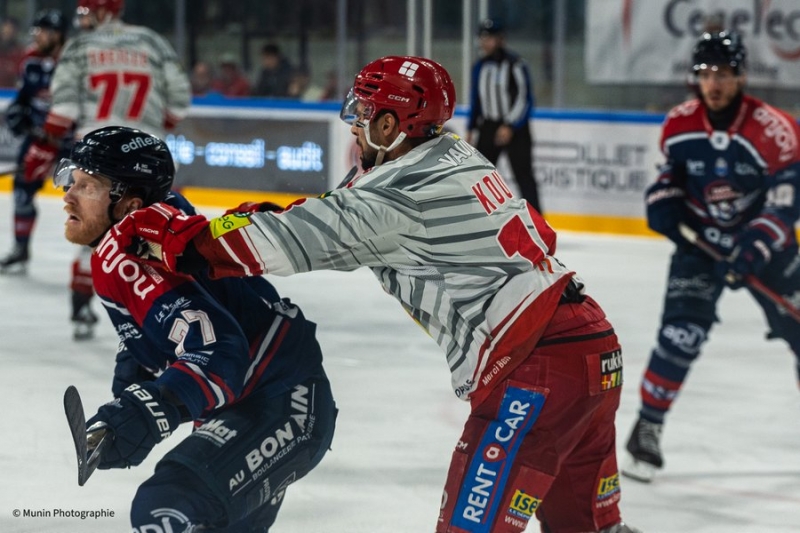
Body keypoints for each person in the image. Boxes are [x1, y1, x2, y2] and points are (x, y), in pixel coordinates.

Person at [116, 55, 641, 533]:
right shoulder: (453, 153)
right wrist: (242, 222)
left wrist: (183, 245)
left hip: (535, 371)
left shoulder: (398, 196)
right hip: (594, 354)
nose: (354, 120)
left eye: (364, 110)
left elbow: (295, 238)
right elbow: (325, 214)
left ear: (390, 125)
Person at [55, 125, 337, 531]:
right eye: (71, 180)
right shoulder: (160, 217)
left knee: (165, 505)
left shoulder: (120, 253)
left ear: (127, 204)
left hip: (281, 404)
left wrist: (147, 410)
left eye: (87, 186)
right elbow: (163, 324)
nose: (68, 195)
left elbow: (221, 353)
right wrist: (130, 396)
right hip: (273, 401)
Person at [621, 31, 800, 483]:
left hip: (767, 249)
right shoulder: (680, 124)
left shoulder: (773, 129)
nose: (714, 83)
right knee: (680, 333)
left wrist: (753, 248)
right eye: (705, 74)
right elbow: (670, 177)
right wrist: (662, 201)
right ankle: (648, 428)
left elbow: (786, 201)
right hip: (701, 246)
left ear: (740, 76)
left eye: (723, 73)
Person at [22, 0, 191, 340]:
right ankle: (161, 306)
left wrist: (44, 145)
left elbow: (64, 110)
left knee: (93, 229)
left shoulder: (80, 47)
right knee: (153, 229)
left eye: (86, 12)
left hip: (97, 154)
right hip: (148, 153)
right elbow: (179, 103)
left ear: (104, 12)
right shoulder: (152, 42)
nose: (82, 20)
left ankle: (83, 303)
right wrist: (150, 126)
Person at [0, 10, 68, 273]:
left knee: (87, 197)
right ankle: (20, 248)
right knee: (22, 192)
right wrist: (18, 113)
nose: (36, 36)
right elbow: (24, 97)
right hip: (40, 140)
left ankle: (96, 259)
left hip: (71, 142)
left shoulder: (74, 63)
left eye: (41, 31)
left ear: (56, 35)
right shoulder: (30, 61)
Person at [466, 19, 541, 213]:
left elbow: (524, 98)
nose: (485, 42)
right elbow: (477, 100)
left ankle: (537, 224)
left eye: (489, 38)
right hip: (489, 126)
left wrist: (510, 125)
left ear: (500, 39)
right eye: (482, 37)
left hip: (516, 128)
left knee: (524, 176)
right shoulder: (480, 66)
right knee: (479, 176)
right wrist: (471, 127)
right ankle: (481, 220)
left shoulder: (515, 64)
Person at [0, 17, 23, 88]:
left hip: (10, 94)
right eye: (5, 29)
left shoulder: (20, 52)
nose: (7, 32)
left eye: (11, 29)